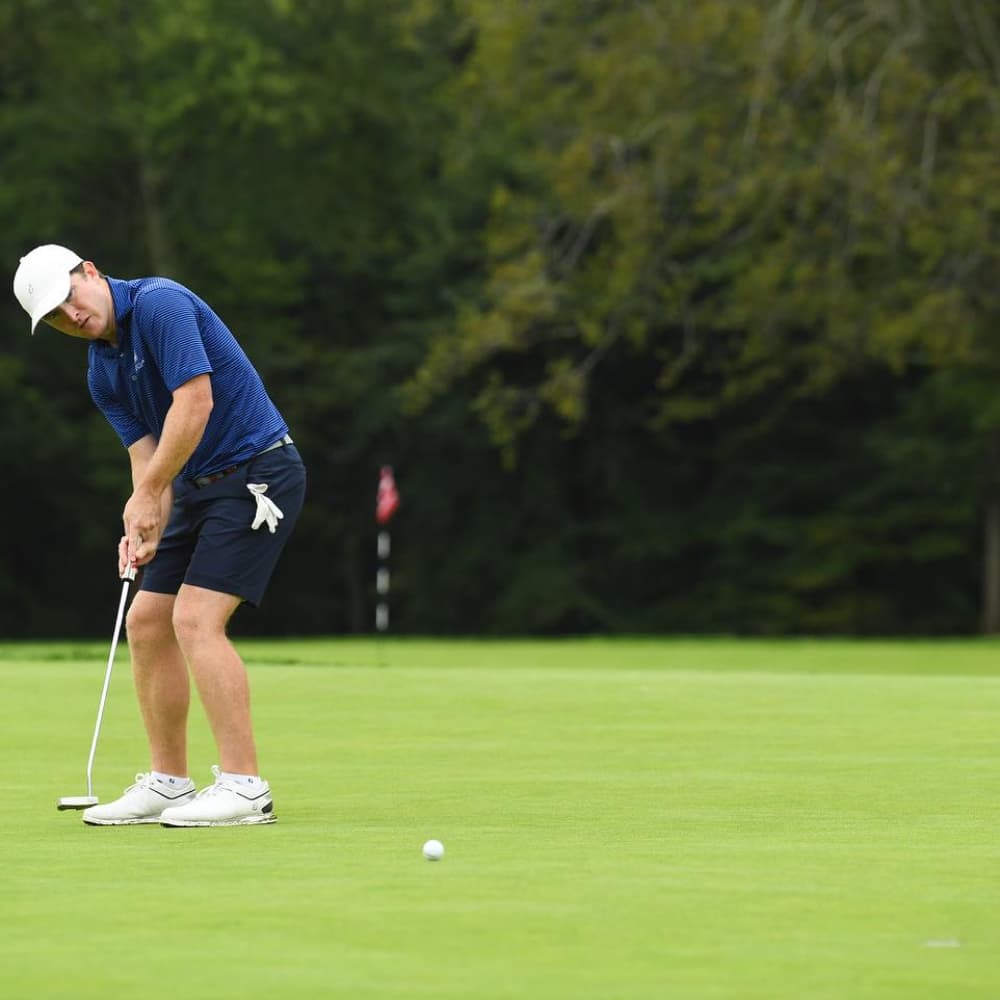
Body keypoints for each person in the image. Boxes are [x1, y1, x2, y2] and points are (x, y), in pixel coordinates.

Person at [13, 244, 306, 827]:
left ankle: (246, 788)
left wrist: (150, 494)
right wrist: (142, 520)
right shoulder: (103, 369)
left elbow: (195, 403)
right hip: (193, 484)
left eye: (69, 297)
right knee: (146, 620)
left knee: (195, 619)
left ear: (90, 272)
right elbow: (145, 458)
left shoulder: (160, 304)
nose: (70, 316)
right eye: (53, 317)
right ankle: (170, 784)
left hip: (258, 472)